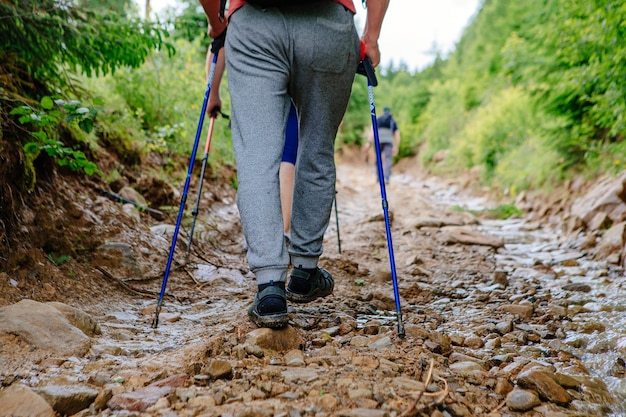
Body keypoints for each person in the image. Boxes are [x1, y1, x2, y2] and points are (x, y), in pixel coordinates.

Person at [200, 0, 389, 328]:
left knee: (257, 159)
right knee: (316, 149)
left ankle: (270, 288)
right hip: (328, 25)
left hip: (254, 27)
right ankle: (304, 270)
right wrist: (371, 38)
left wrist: (217, 24)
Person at [364, 106, 400, 184]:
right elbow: (397, 134)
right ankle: (386, 177)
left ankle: (378, 177)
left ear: (383, 112)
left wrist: (369, 143)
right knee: (387, 159)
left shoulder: (378, 120)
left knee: (378, 159)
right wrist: (396, 146)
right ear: (390, 112)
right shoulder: (392, 121)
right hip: (389, 142)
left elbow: (372, 132)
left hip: (378, 142)